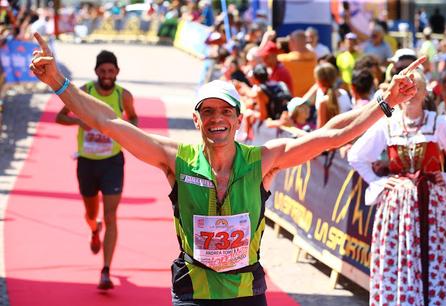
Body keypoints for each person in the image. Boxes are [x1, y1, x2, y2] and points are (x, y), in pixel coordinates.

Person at [30, 32, 424, 306]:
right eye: (208, 112)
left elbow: (331, 135)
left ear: (238, 119)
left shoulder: (263, 160)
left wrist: (384, 103)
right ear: (197, 121)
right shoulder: (175, 159)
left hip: (245, 294)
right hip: (191, 292)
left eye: (225, 111)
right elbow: (107, 122)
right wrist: (58, 82)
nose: (216, 118)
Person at [348, 70, 446, 305]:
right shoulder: (386, 125)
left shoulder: (437, 124)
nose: (411, 94)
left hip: (435, 207)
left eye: (416, 87)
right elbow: (356, 155)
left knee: (436, 258)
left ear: (425, 91)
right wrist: (378, 181)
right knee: (399, 256)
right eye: (405, 88)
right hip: (398, 209)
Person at [55, 50, 138, 290]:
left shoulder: (124, 96)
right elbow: (59, 118)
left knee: (111, 215)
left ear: (117, 72)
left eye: (111, 71)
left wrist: (121, 129)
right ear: (96, 72)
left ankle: (106, 270)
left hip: (112, 162)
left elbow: (134, 119)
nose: (107, 75)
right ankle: (94, 229)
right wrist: (80, 121)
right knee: (91, 214)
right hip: (87, 162)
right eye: (102, 71)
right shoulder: (84, 92)